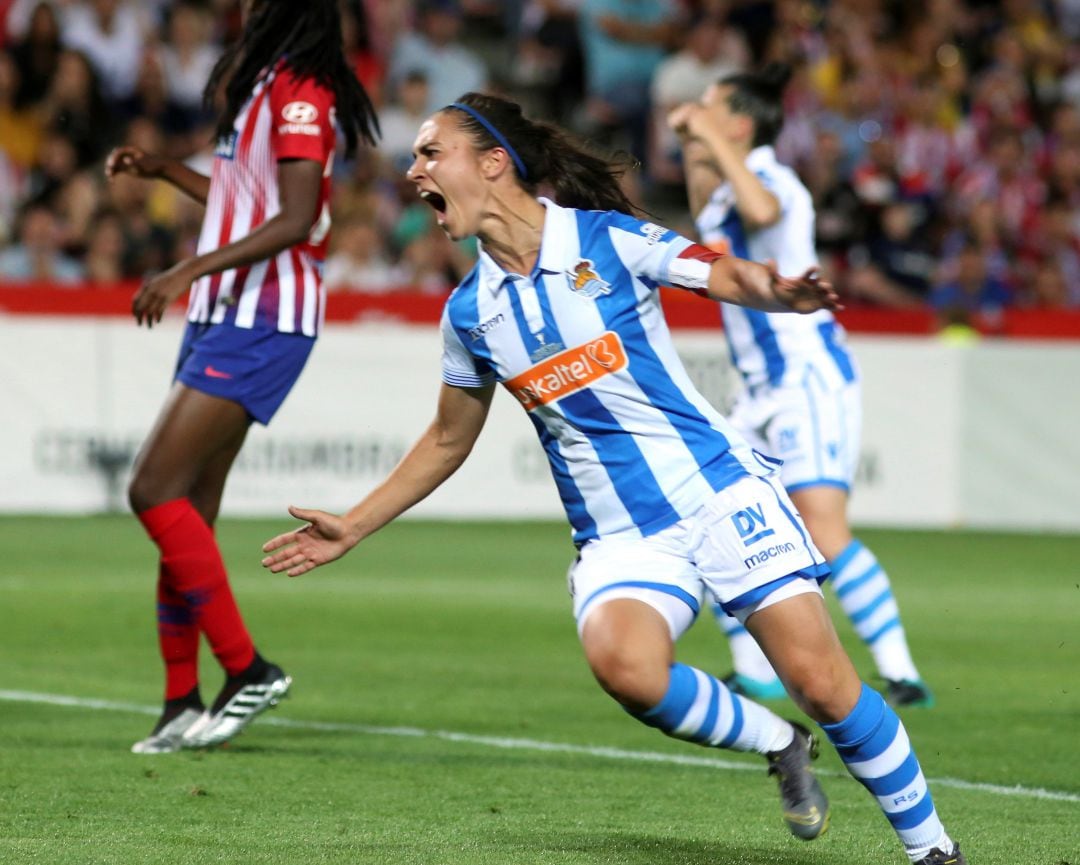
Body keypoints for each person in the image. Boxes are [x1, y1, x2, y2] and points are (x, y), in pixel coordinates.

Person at [261, 92, 966, 865]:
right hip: (622, 536)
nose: (413, 168)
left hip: (718, 492)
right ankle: (778, 740)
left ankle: (932, 849)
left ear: (494, 162)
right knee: (626, 667)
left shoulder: (609, 240)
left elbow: (717, 271)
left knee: (828, 685)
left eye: (431, 152)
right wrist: (353, 525)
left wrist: (778, 291)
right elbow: (446, 438)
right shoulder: (471, 313)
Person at [104, 0, 379, 754]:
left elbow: (294, 220)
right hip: (229, 312)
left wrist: (183, 269)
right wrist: (166, 170)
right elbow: (245, 201)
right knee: (185, 507)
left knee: (151, 488)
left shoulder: (299, 91)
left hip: (265, 316)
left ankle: (246, 669)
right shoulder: (270, 83)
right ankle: (179, 702)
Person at [668, 64, 935, 708]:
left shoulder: (769, 176)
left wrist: (706, 132)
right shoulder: (727, 186)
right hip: (759, 386)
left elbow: (762, 208)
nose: (696, 111)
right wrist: (692, 140)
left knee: (822, 524)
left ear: (740, 123)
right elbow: (710, 203)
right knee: (718, 515)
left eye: (712, 105)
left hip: (804, 375)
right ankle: (755, 672)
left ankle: (901, 672)